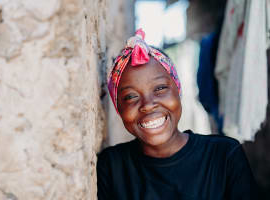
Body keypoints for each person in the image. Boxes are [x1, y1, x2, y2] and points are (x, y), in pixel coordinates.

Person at [97, 29, 258, 200]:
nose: (148, 105)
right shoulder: (112, 168)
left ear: (178, 91)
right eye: (131, 97)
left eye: (159, 88)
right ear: (118, 108)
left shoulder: (224, 156)